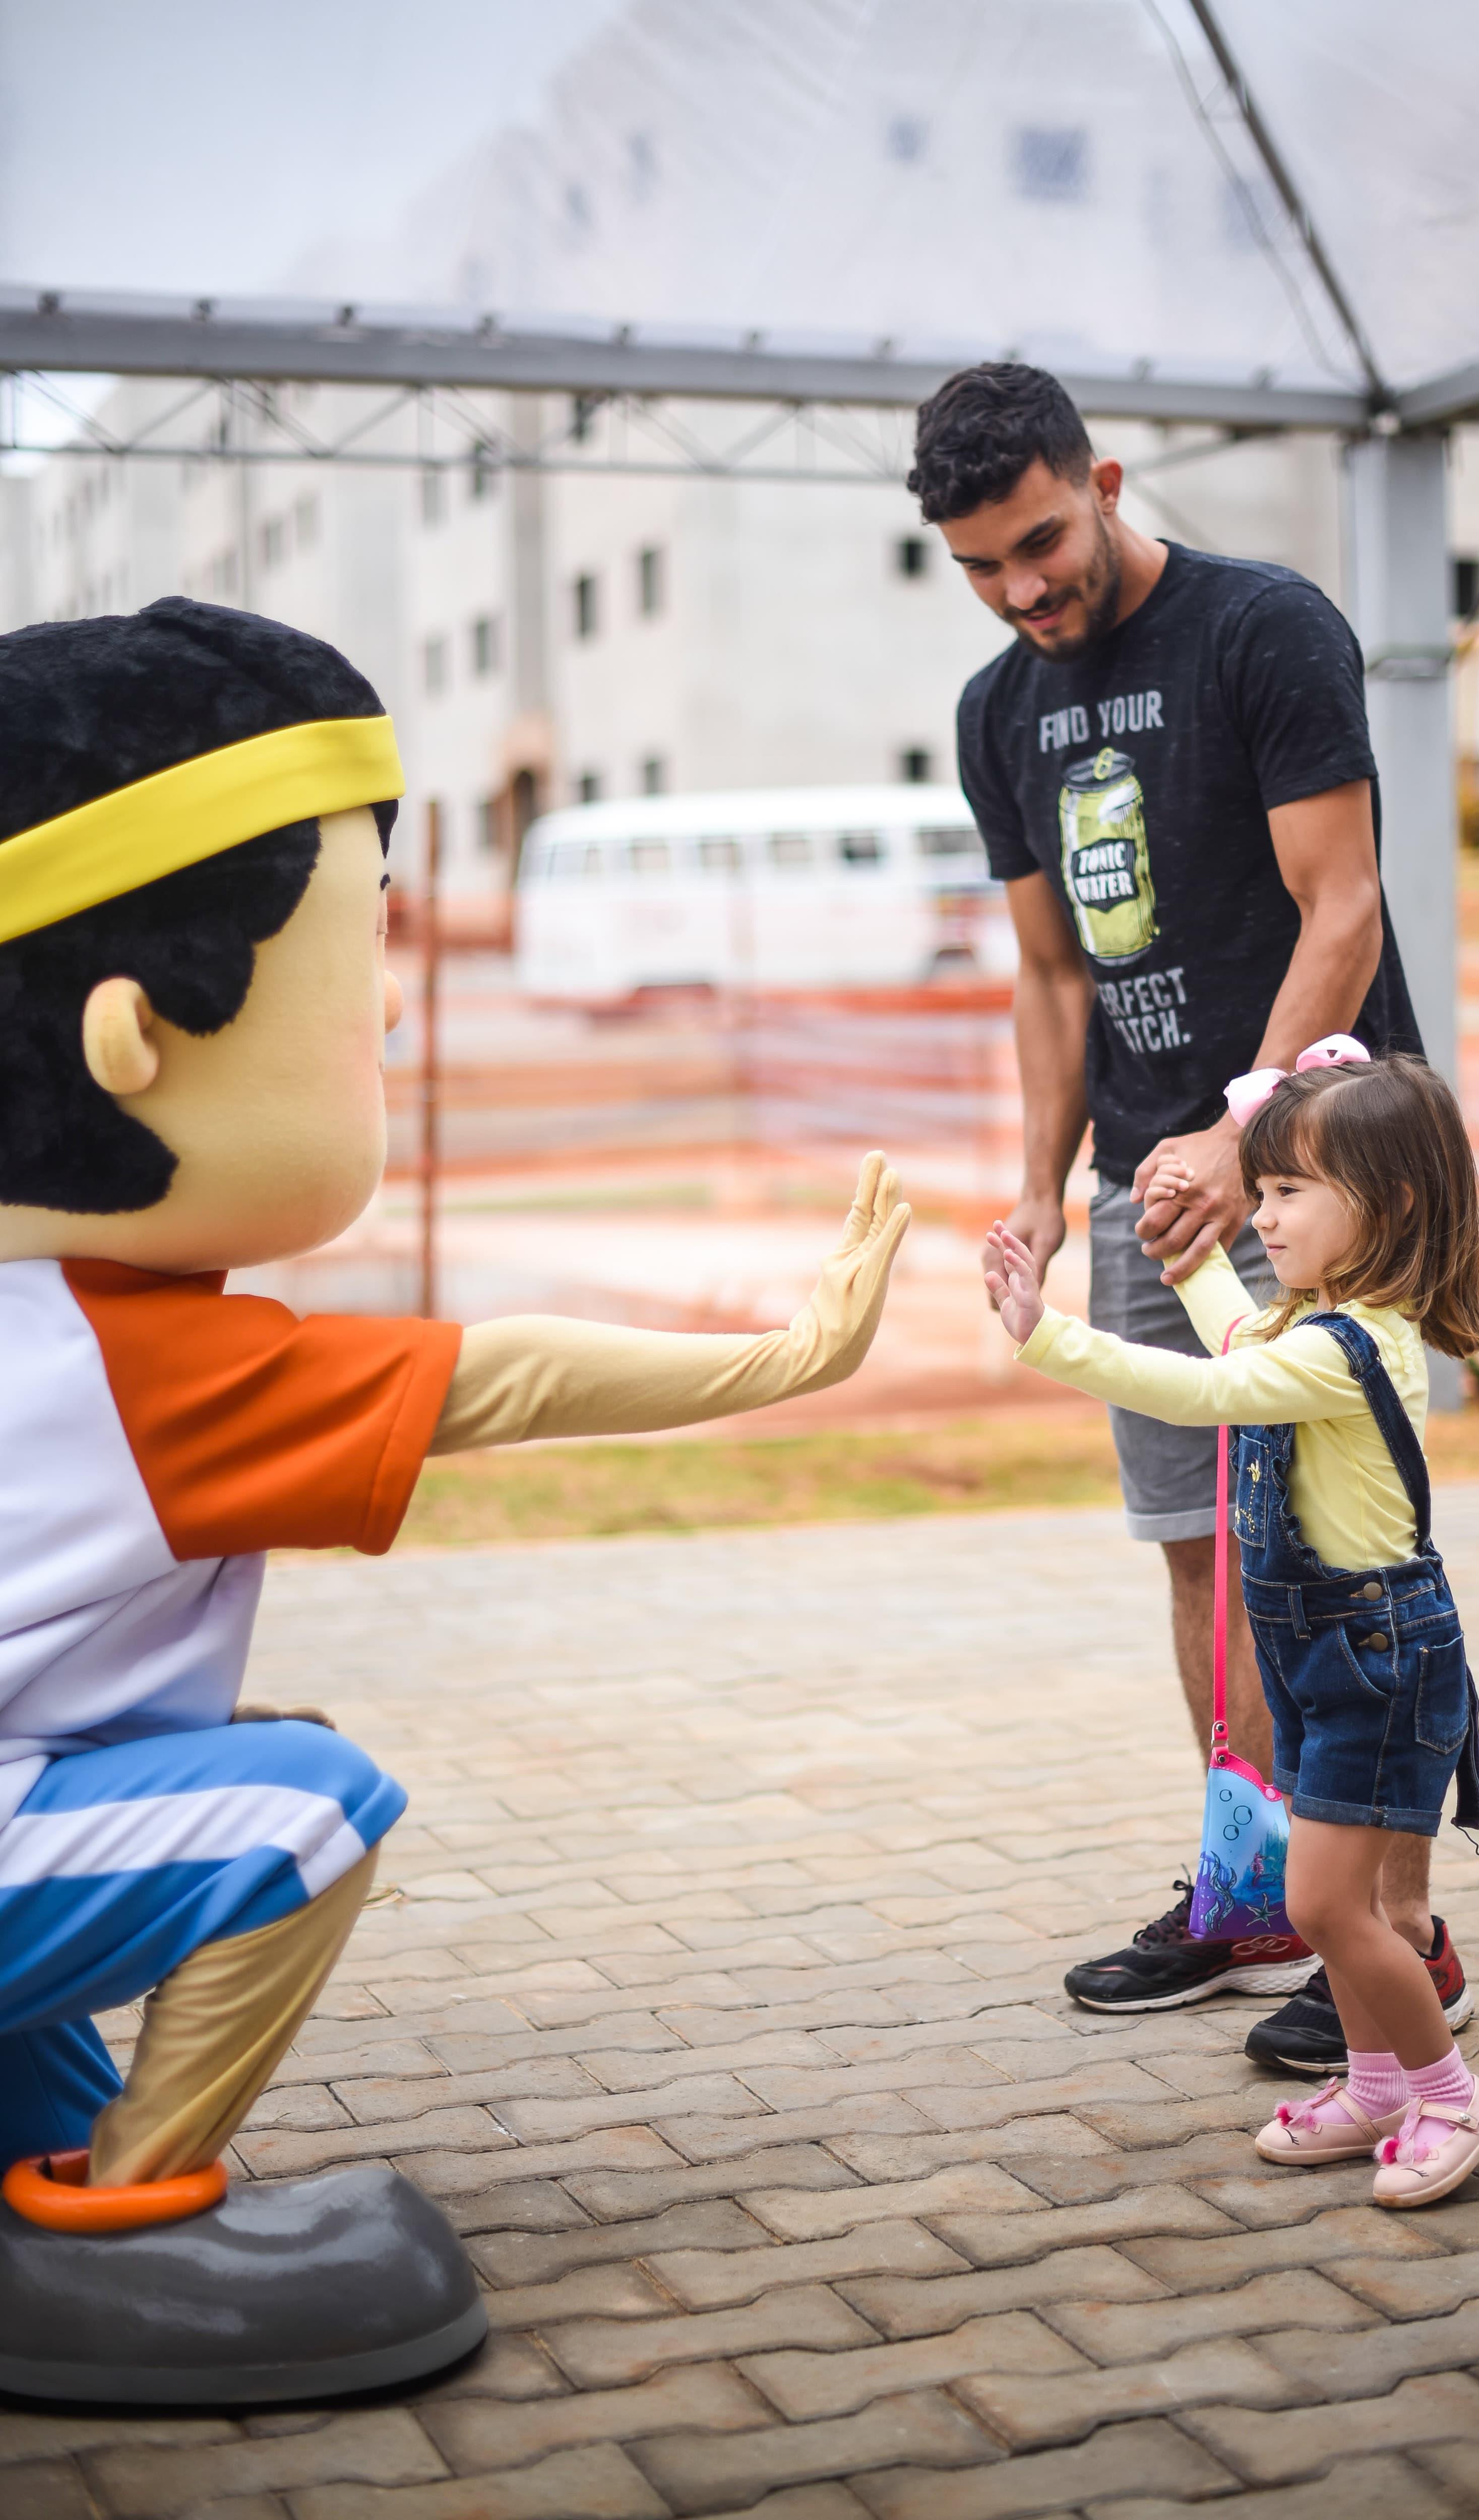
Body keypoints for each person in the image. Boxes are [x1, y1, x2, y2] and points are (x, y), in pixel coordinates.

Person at [0, 596, 910, 2402]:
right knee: (305, 1809)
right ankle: (126, 2210)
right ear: (131, 1037)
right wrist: (776, 1359)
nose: (396, 1005)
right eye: (358, 967)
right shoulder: (145, 1369)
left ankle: (49, 2130)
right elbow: (501, 1373)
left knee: (229, 1756)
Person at [907, 360, 1471, 2073]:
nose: (1021, 590)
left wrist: (1245, 1129)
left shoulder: (1259, 630)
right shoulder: (993, 711)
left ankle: (1399, 1939)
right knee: (1194, 1544)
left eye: (1038, 542)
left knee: (1343, 1548)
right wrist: (1032, 1187)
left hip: (1319, 1172)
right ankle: (1251, 1891)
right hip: (1139, 1179)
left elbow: (1340, 909)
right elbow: (1049, 975)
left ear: (1105, 476)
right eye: (980, 567)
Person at [985, 1049, 1479, 2206]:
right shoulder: (1317, 1324)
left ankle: (1448, 2093)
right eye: (1259, 1192)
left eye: (1286, 1194)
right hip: (1335, 1662)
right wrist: (1194, 1254)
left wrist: (1044, 1334)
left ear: (1391, 1204)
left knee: (1328, 1905)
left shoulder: (1347, 1346)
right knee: (1331, 1901)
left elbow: (1206, 1391)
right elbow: (1233, 1345)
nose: (1263, 1214)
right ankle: (1374, 2083)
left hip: (1378, 1662)